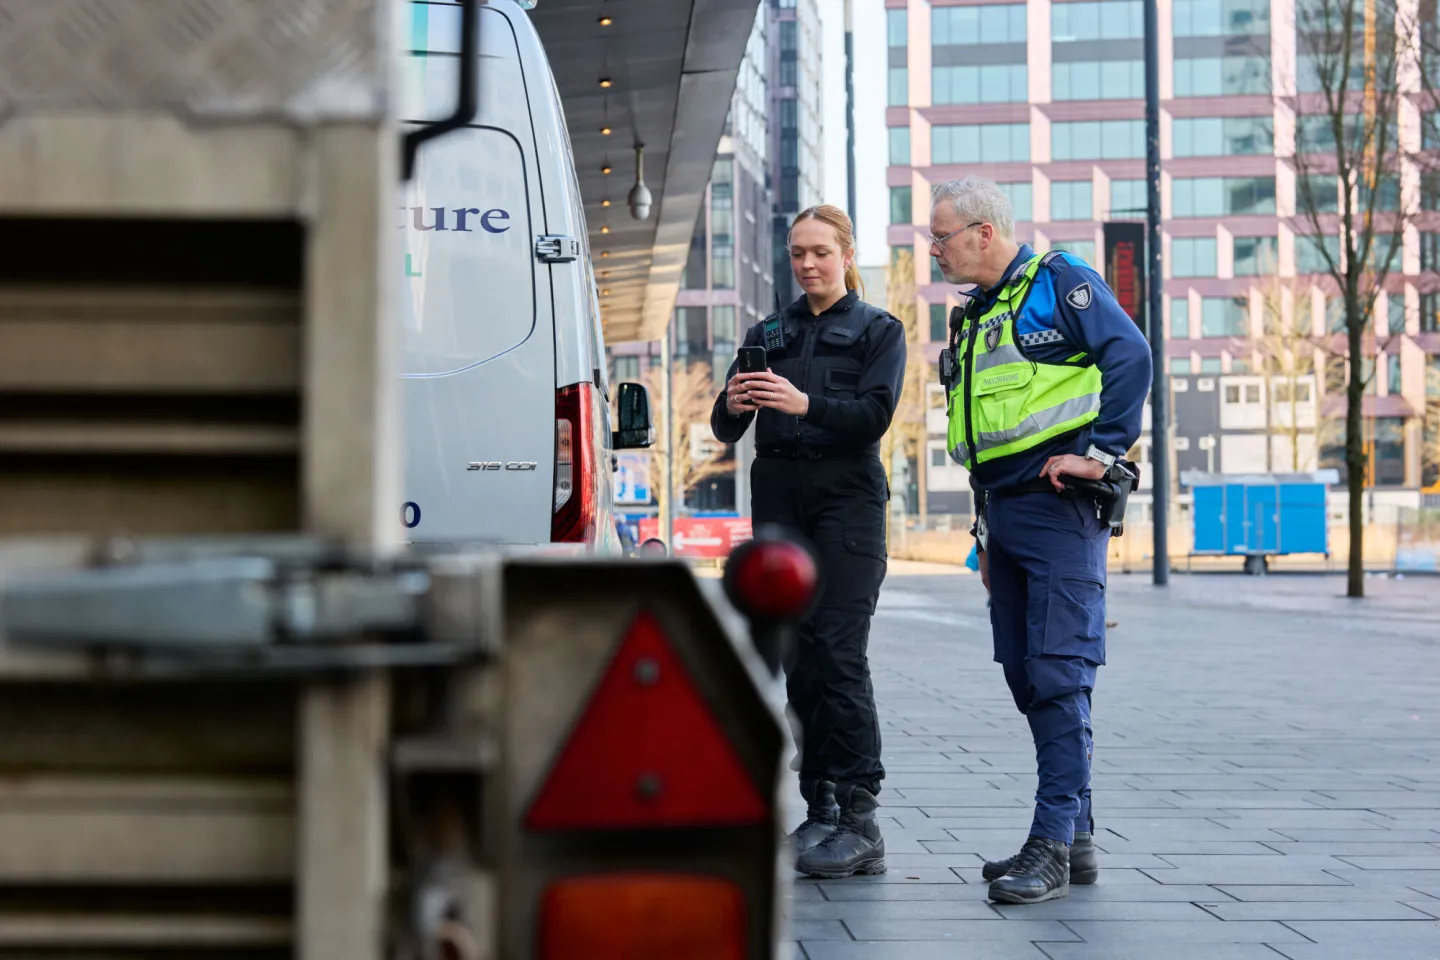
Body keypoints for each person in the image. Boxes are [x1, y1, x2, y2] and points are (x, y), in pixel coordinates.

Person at [930, 177, 1151, 904]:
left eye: (943, 235)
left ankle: (1051, 843)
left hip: (1060, 512)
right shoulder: (975, 316)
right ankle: (1078, 837)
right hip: (1005, 515)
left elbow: (1131, 357)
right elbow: (981, 435)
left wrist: (1107, 453)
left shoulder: (1060, 283)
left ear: (984, 233)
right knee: (1027, 675)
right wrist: (983, 529)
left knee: (1059, 673)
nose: (934, 249)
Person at [711, 204, 905, 879]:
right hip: (780, 505)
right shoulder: (769, 330)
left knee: (838, 651)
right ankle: (819, 805)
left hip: (847, 507)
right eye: (798, 253)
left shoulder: (880, 330)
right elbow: (723, 429)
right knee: (796, 653)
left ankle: (859, 816)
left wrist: (804, 405)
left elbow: (873, 417)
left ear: (846, 254)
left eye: (820, 252)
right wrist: (733, 404)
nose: (807, 264)